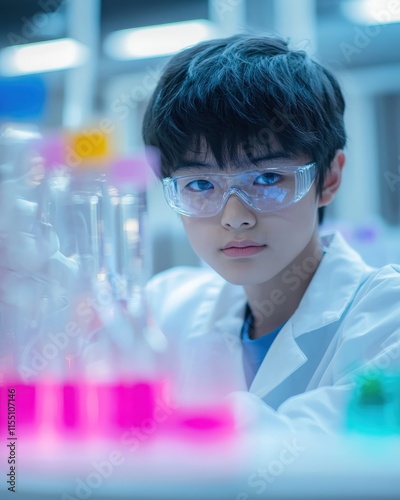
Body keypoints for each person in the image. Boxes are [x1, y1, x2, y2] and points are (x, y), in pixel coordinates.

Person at [142, 33, 400, 434]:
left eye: (266, 178)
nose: (235, 217)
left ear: (329, 178)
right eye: (200, 185)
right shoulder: (167, 309)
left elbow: (312, 455)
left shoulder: (388, 319)